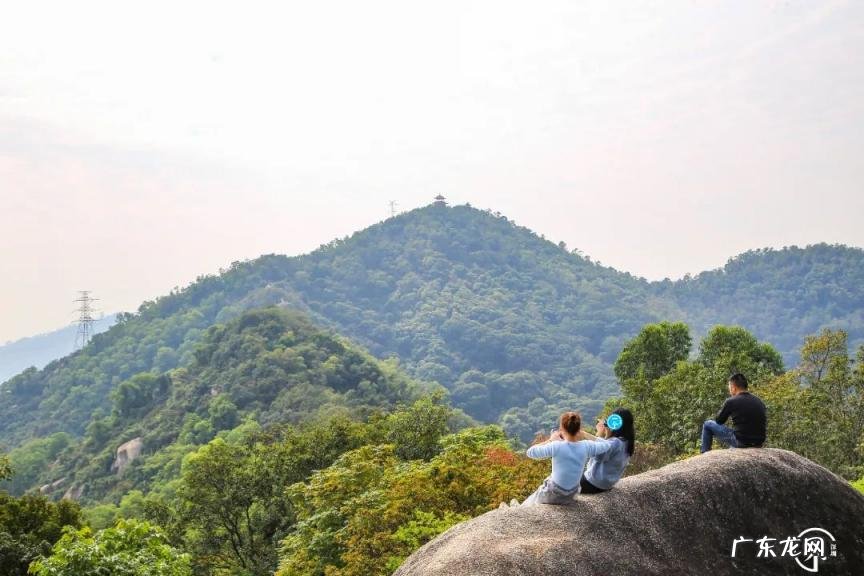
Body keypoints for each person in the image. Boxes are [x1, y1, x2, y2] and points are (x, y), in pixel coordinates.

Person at [521, 411, 614, 505]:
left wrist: (550, 440)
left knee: (529, 502)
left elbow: (530, 452)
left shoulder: (556, 446)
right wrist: (585, 434)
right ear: (579, 429)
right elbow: (607, 445)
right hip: (572, 495)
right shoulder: (586, 446)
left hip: (553, 494)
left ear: (562, 429)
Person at [700, 373, 766, 453]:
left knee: (708, 424)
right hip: (758, 443)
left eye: (730, 388)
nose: (730, 390)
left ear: (734, 388)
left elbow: (719, 421)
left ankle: (704, 453)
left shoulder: (731, 401)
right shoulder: (759, 401)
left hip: (741, 442)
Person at [576, 408, 635, 494]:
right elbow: (607, 449)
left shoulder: (616, 442)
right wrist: (607, 433)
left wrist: (584, 433)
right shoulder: (626, 442)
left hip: (593, 484)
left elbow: (599, 454)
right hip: (607, 484)